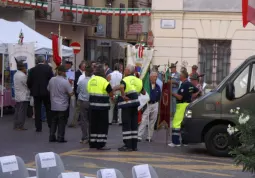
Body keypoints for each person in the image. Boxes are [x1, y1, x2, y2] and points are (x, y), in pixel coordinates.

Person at [114, 64, 146, 152]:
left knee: (126, 125)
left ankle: (127, 145)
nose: (124, 71)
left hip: (127, 104)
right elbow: (143, 92)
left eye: (125, 70)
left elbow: (121, 87)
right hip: (135, 104)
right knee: (134, 125)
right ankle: (134, 146)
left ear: (128, 71)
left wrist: (123, 95)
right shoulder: (138, 80)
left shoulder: (125, 79)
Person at [168, 70, 199, 147]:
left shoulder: (184, 85)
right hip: (188, 105)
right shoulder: (190, 84)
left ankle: (175, 142)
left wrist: (171, 93)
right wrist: (192, 97)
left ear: (183, 76)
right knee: (185, 123)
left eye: (180, 75)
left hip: (182, 105)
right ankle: (185, 142)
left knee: (176, 123)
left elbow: (180, 97)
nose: (179, 76)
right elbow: (198, 91)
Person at [87, 64, 114, 150]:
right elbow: (110, 93)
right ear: (103, 72)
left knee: (93, 125)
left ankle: (93, 143)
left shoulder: (91, 80)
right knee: (102, 126)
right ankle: (101, 144)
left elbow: (88, 90)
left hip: (92, 107)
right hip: (102, 108)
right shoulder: (104, 81)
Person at [27, 55, 53, 132]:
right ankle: (50, 124)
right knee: (48, 108)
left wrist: (32, 88)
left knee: (37, 110)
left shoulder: (32, 70)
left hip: (36, 92)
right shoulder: (48, 68)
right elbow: (51, 80)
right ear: (44, 61)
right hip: (46, 91)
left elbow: (29, 82)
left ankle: (38, 127)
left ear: (37, 61)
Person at [48, 65, 73, 143]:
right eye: (65, 71)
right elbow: (71, 93)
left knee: (53, 121)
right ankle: (60, 137)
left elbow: (48, 89)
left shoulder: (52, 79)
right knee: (61, 122)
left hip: (53, 104)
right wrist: (71, 86)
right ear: (62, 72)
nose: (66, 73)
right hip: (62, 105)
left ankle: (52, 136)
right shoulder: (65, 82)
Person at [138, 71, 161, 142]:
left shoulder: (158, 87)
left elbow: (159, 96)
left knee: (152, 121)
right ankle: (139, 136)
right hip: (147, 104)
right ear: (150, 77)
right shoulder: (147, 86)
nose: (156, 78)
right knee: (144, 120)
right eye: (154, 76)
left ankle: (149, 137)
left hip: (155, 104)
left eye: (156, 77)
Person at [77, 62, 93, 144]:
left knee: (84, 120)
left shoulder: (81, 81)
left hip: (83, 101)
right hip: (91, 101)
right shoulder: (93, 82)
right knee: (91, 120)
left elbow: (77, 91)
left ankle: (84, 137)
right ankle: (91, 136)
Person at [13, 61, 30, 131]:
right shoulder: (22, 75)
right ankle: (20, 126)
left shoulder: (16, 74)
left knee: (17, 111)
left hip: (18, 95)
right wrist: (27, 75)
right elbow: (28, 84)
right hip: (23, 96)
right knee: (22, 112)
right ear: (23, 67)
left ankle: (16, 125)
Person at [69, 61, 86, 128]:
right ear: (81, 66)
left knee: (80, 108)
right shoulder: (77, 73)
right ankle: (76, 121)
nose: (85, 67)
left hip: (83, 93)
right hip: (79, 92)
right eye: (84, 66)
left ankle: (80, 119)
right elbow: (76, 83)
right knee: (78, 108)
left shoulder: (84, 74)